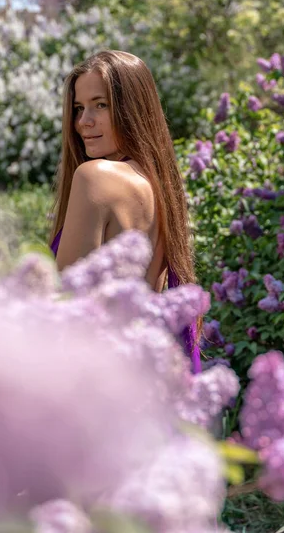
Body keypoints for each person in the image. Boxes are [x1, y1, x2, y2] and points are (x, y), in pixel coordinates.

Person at [50, 50, 201, 372]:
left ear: (132, 108)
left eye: (100, 105)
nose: (82, 122)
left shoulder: (96, 177)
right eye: (79, 108)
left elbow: (63, 309)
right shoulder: (161, 191)